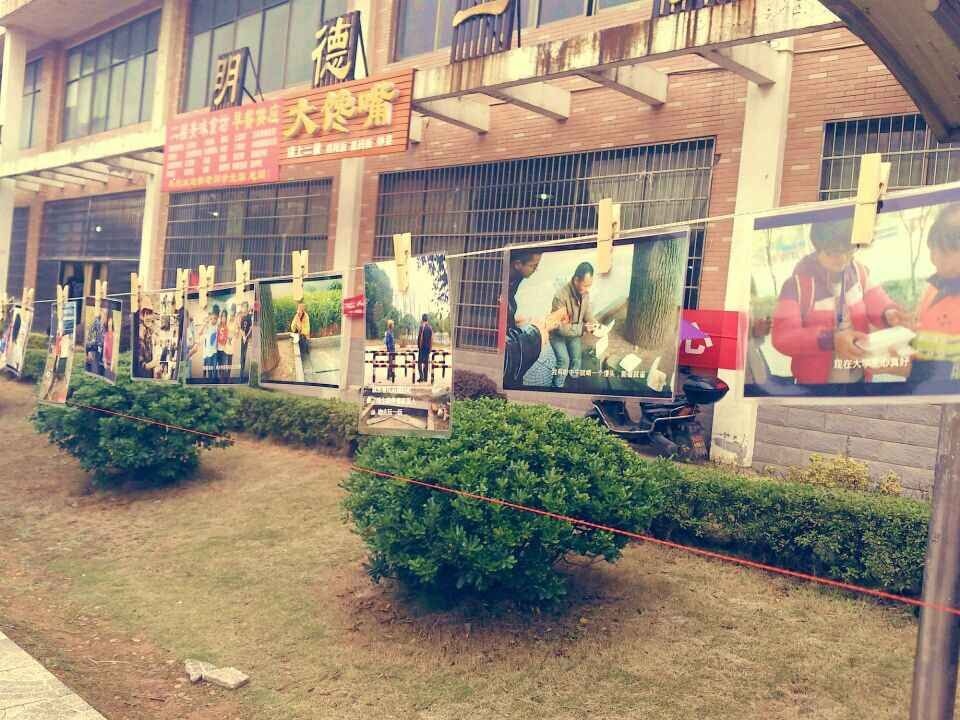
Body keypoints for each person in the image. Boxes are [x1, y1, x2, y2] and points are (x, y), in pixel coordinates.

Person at [771, 217, 904, 385]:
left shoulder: (858, 272)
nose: (843, 259)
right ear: (819, 248)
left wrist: (889, 313)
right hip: (817, 387)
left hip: (859, 376)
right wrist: (830, 340)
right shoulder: (797, 286)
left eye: (848, 250)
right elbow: (783, 337)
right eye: (833, 252)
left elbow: (876, 299)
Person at [910, 203, 960, 385]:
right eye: (932, 249)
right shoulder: (934, 287)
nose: (933, 259)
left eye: (943, 253)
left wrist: (903, 366)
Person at [549, 262, 598, 389]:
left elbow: (586, 312)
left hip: (574, 331)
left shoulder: (584, 292)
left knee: (577, 358)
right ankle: (557, 386)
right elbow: (560, 328)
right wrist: (582, 328)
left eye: (589, 285)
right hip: (557, 334)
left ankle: (573, 381)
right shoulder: (560, 297)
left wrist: (595, 323)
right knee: (564, 362)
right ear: (576, 280)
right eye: (585, 285)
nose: (587, 289)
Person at [291, 301, 313, 375]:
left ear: (303, 310)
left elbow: (307, 330)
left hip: (304, 336)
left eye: (300, 311)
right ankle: (301, 354)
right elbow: (292, 327)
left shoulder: (306, 317)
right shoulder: (296, 316)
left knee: (303, 340)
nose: (299, 312)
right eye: (298, 311)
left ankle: (304, 355)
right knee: (295, 339)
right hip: (298, 335)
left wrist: (300, 329)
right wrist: (296, 324)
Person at [86, 308, 105, 375]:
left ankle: (99, 368)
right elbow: (91, 331)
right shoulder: (97, 321)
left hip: (103, 344)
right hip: (97, 343)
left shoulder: (106, 323)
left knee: (99, 359)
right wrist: (90, 338)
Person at [203, 306, 220, 381]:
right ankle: (210, 380)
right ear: (210, 318)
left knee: (215, 367)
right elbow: (200, 332)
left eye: (215, 318)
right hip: (208, 352)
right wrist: (206, 323)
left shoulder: (217, 326)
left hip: (215, 351)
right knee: (209, 368)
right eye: (212, 318)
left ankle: (214, 380)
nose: (214, 320)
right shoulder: (208, 326)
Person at [238, 300, 253, 381]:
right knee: (242, 356)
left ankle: (246, 374)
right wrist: (243, 336)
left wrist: (246, 336)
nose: (243, 308)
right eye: (242, 307)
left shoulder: (250, 316)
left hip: (248, 338)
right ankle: (241, 374)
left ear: (247, 308)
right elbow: (241, 328)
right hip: (243, 338)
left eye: (244, 307)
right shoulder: (242, 317)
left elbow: (250, 327)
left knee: (245, 355)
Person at [417, 314, 433, 383]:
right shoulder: (430, 328)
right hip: (427, 348)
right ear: (427, 319)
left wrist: (419, 346)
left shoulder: (421, 327)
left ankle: (421, 377)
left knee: (419, 363)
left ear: (422, 319)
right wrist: (430, 348)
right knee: (426, 363)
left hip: (422, 348)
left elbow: (419, 338)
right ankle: (425, 378)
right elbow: (431, 339)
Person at [217, 309, 231, 381]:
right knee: (219, 365)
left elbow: (225, 339)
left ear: (226, 318)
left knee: (223, 366)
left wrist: (222, 341)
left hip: (224, 350)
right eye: (222, 316)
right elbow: (216, 336)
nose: (223, 318)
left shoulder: (226, 327)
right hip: (218, 349)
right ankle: (221, 379)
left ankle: (223, 380)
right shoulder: (218, 326)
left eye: (225, 316)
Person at [103, 313, 115, 379]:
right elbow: (105, 347)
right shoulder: (106, 334)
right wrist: (104, 361)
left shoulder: (114, 334)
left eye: (111, 322)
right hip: (107, 357)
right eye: (109, 322)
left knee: (111, 375)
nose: (109, 324)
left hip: (112, 358)